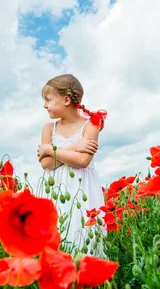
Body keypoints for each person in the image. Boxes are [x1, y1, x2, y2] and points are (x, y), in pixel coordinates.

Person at [36, 74, 107, 256]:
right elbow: (45, 164)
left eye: (48, 99)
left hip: (82, 190)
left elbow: (82, 161)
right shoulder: (47, 128)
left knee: (82, 236)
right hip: (55, 190)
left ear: (66, 99)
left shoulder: (91, 125)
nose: (44, 105)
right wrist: (75, 146)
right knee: (57, 236)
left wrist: (50, 149)